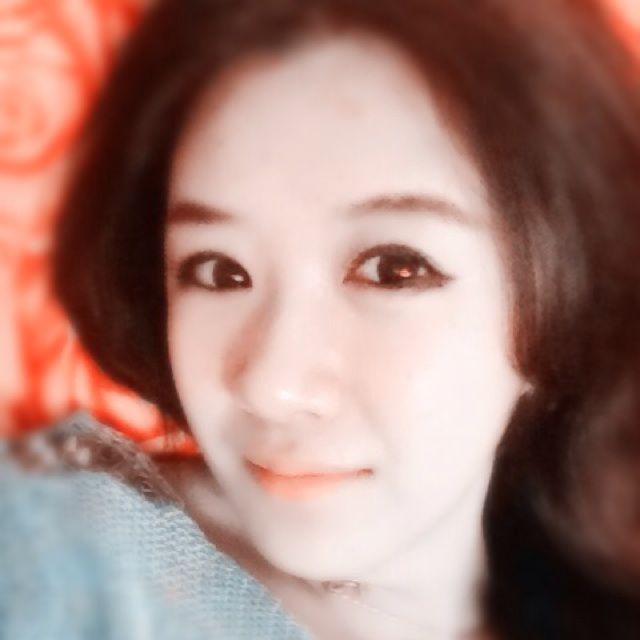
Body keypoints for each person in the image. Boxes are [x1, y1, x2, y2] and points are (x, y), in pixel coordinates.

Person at [4, 0, 640, 638]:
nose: (271, 385)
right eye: (218, 270)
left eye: (393, 269)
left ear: (573, 292)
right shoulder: (60, 561)